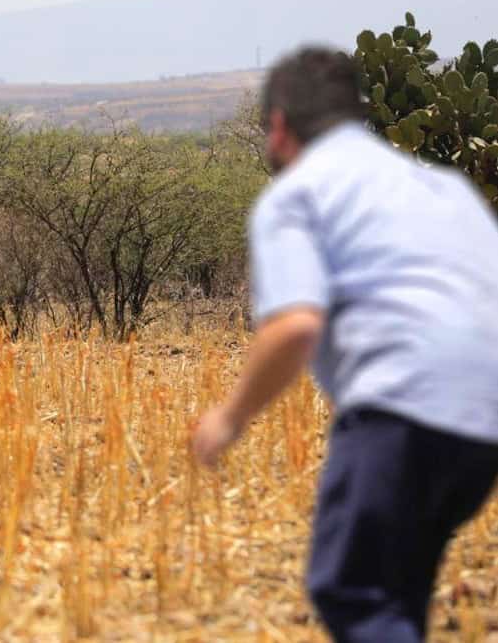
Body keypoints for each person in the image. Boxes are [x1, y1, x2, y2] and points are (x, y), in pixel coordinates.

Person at [192, 46, 498, 642]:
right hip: (484, 424)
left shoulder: (297, 195)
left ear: (279, 126)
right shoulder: (445, 188)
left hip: (404, 404)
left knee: (350, 589)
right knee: (396, 593)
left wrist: (229, 419)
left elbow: (295, 327)